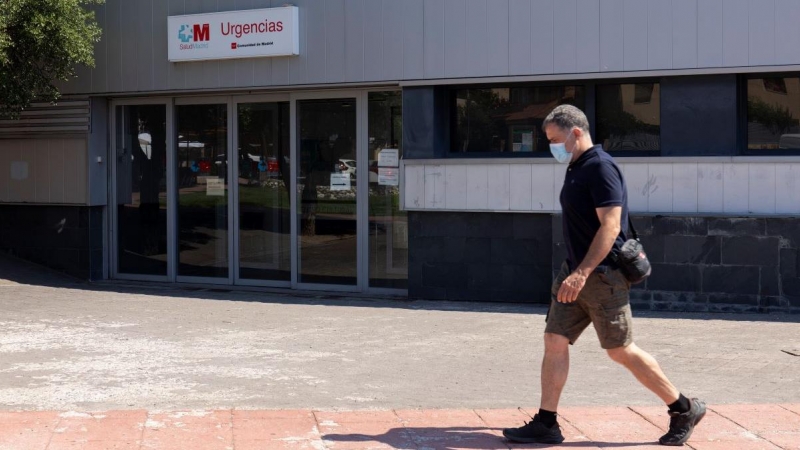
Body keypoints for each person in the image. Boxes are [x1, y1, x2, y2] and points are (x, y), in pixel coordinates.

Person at [502, 105, 705, 446]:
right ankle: (547, 422)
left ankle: (684, 407)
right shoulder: (577, 166)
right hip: (575, 272)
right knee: (554, 340)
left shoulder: (600, 168)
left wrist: (582, 273)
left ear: (576, 132)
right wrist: (575, 271)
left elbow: (611, 226)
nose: (552, 146)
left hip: (601, 276)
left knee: (620, 349)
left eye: (555, 139)